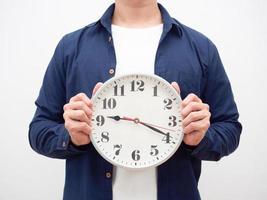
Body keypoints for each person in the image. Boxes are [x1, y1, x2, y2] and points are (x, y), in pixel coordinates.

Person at [29, 0, 242, 199]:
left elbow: (229, 128)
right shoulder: (71, 47)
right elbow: (38, 130)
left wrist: (201, 138)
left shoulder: (201, 48)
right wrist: (71, 136)